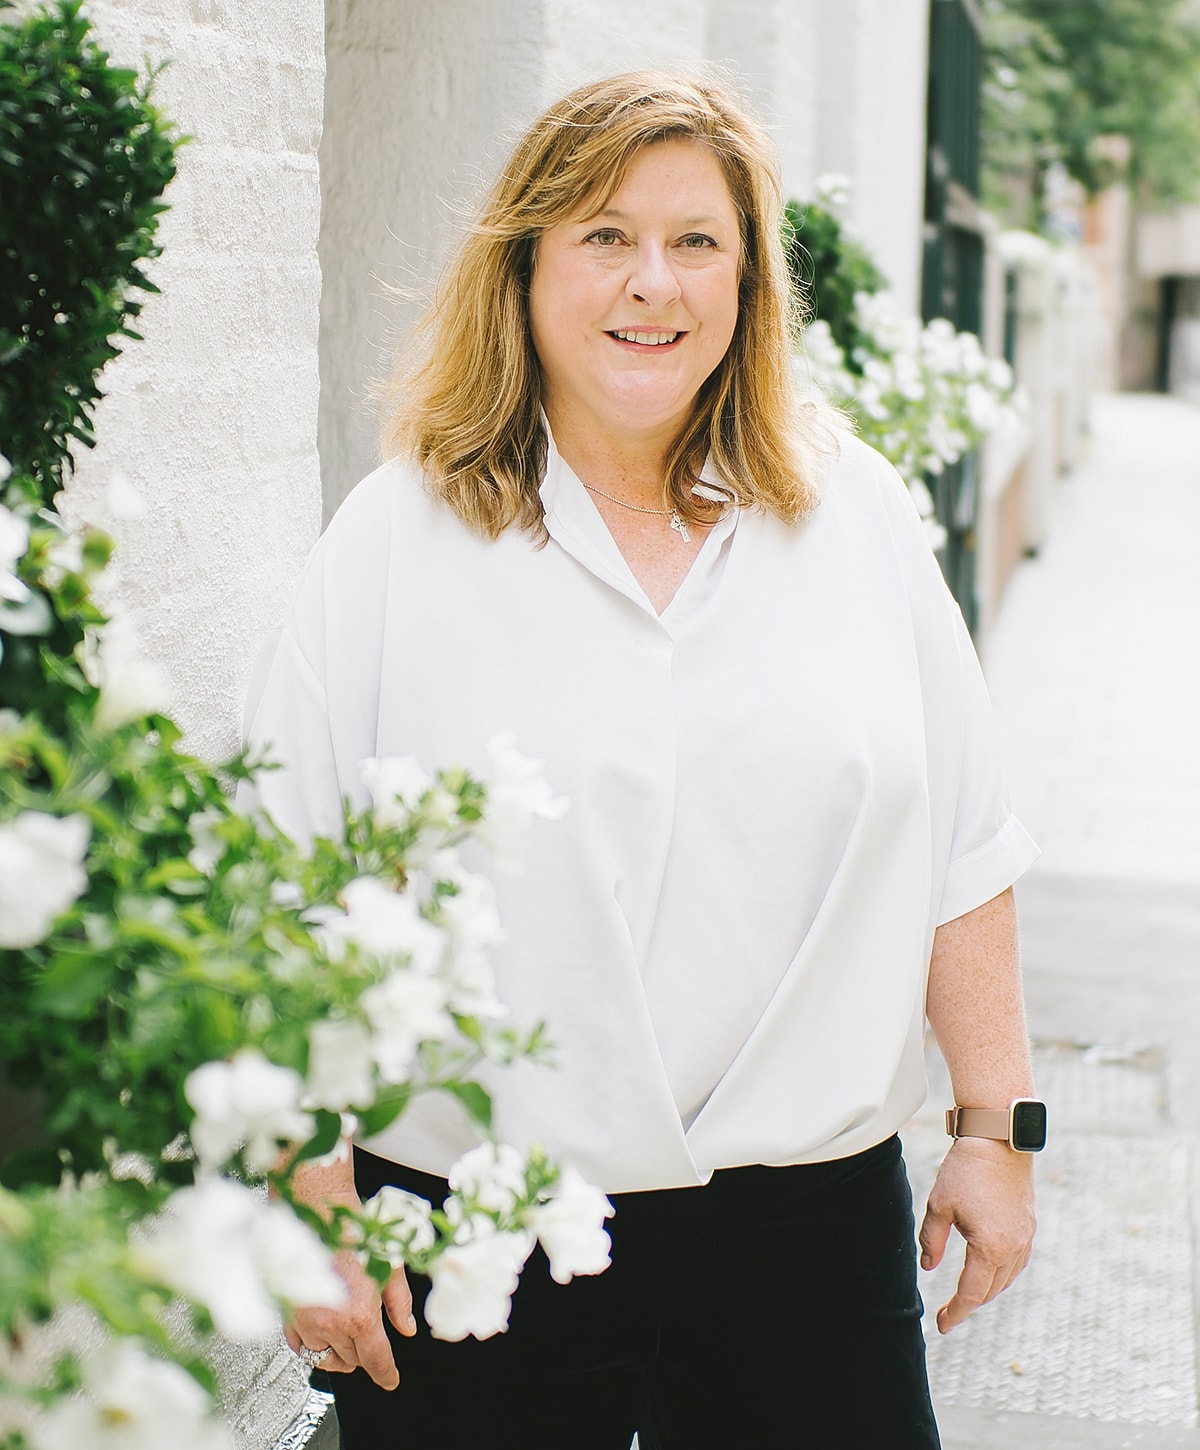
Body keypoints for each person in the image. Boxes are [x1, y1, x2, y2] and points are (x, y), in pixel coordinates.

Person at [244, 70, 1042, 1450]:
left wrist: (994, 1126)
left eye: (696, 242)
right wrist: (307, 1189)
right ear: (528, 264)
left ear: (748, 284)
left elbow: (961, 839)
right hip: (475, 1241)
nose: (650, 283)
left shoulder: (850, 513)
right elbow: (280, 872)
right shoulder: (394, 541)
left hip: (809, 1235)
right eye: (603, 235)